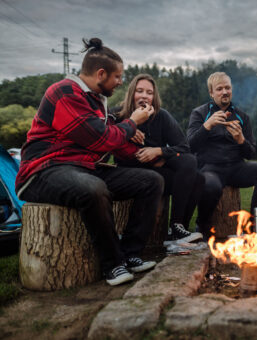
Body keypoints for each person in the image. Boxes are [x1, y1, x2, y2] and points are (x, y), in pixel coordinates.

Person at [15, 38, 163, 286]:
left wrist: (157, 155)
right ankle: (113, 265)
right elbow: (102, 140)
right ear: (101, 74)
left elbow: (114, 142)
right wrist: (132, 122)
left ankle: (130, 255)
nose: (120, 82)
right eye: (117, 77)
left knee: (151, 181)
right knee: (93, 189)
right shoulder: (64, 92)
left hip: (83, 168)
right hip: (44, 171)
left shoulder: (95, 100)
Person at [113, 74, 204, 245]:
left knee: (196, 173)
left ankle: (177, 227)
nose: (144, 96)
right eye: (139, 91)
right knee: (188, 171)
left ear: (154, 97)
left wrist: (159, 151)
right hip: (129, 175)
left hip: (157, 172)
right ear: (132, 93)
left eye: (149, 92)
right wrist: (127, 128)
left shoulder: (161, 116)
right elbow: (102, 133)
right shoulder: (118, 115)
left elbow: (184, 147)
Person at [187, 72, 257, 236]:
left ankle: (255, 227)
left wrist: (241, 140)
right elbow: (189, 146)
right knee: (210, 186)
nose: (224, 92)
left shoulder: (242, 116)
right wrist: (207, 126)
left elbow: (251, 153)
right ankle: (202, 226)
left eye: (227, 87)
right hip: (209, 168)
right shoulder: (199, 113)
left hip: (236, 167)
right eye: (219, 89)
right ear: (211, 93)